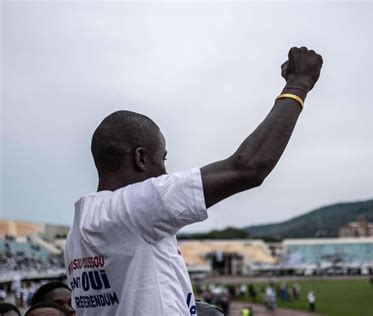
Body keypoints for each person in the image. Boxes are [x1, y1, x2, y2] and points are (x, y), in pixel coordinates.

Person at [64, 46, 323, 315]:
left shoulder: (78, 233)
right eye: (161, 159)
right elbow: (248, 167)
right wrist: (299, 84)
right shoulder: (134, 208)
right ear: (141, 158)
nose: (165, 172)